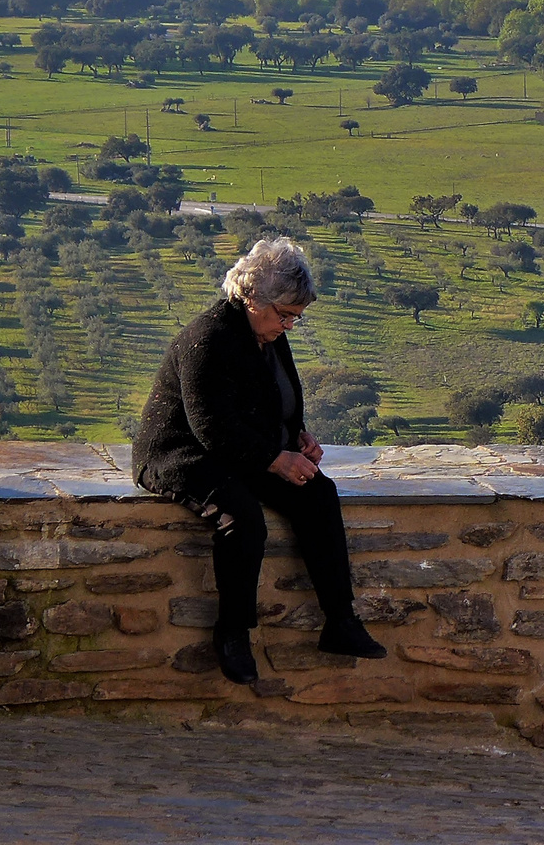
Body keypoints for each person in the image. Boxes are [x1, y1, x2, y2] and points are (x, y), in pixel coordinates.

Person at [132, 236, 385, 683]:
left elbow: (276, 398)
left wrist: (297, 437)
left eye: (295, 318)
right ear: (251, 297)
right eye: (284, 314)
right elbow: (210, 426)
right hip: (180, 452)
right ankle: (233, 634)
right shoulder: (208, 338)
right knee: (242, 517)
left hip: (240, 448)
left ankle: (340, 622)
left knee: (318, 493)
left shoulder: (264, 333)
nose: (288, 325)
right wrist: (275, 459)